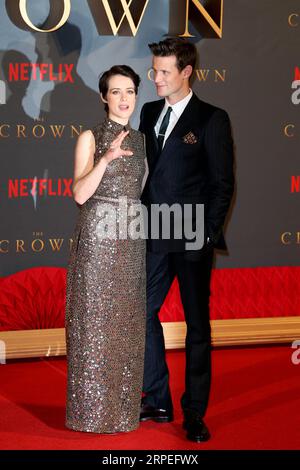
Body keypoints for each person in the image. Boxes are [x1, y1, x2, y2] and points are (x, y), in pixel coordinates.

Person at [139, 38, 234, 442]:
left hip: (192, 233)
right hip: (152, 232)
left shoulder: (212, 118)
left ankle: (194, 411)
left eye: (163, 72)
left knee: (197, 326)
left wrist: (208, 233)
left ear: (186, 72)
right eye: (153, 70)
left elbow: (223, 183)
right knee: (141, 311)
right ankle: (158, 398)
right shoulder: (147, 112)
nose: (155, 78)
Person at [65, 65, 146, 433]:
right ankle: (89, 414)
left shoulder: (144, 140)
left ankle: (122, 413)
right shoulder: (90, 137)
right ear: (103, 97)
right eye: (116, 91)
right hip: (97, 242)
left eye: (129, 90)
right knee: (92, 322)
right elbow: (80, 194)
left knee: (125, 326)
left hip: (130, 242)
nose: (124, 98)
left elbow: (140, 191)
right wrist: (106, 159)